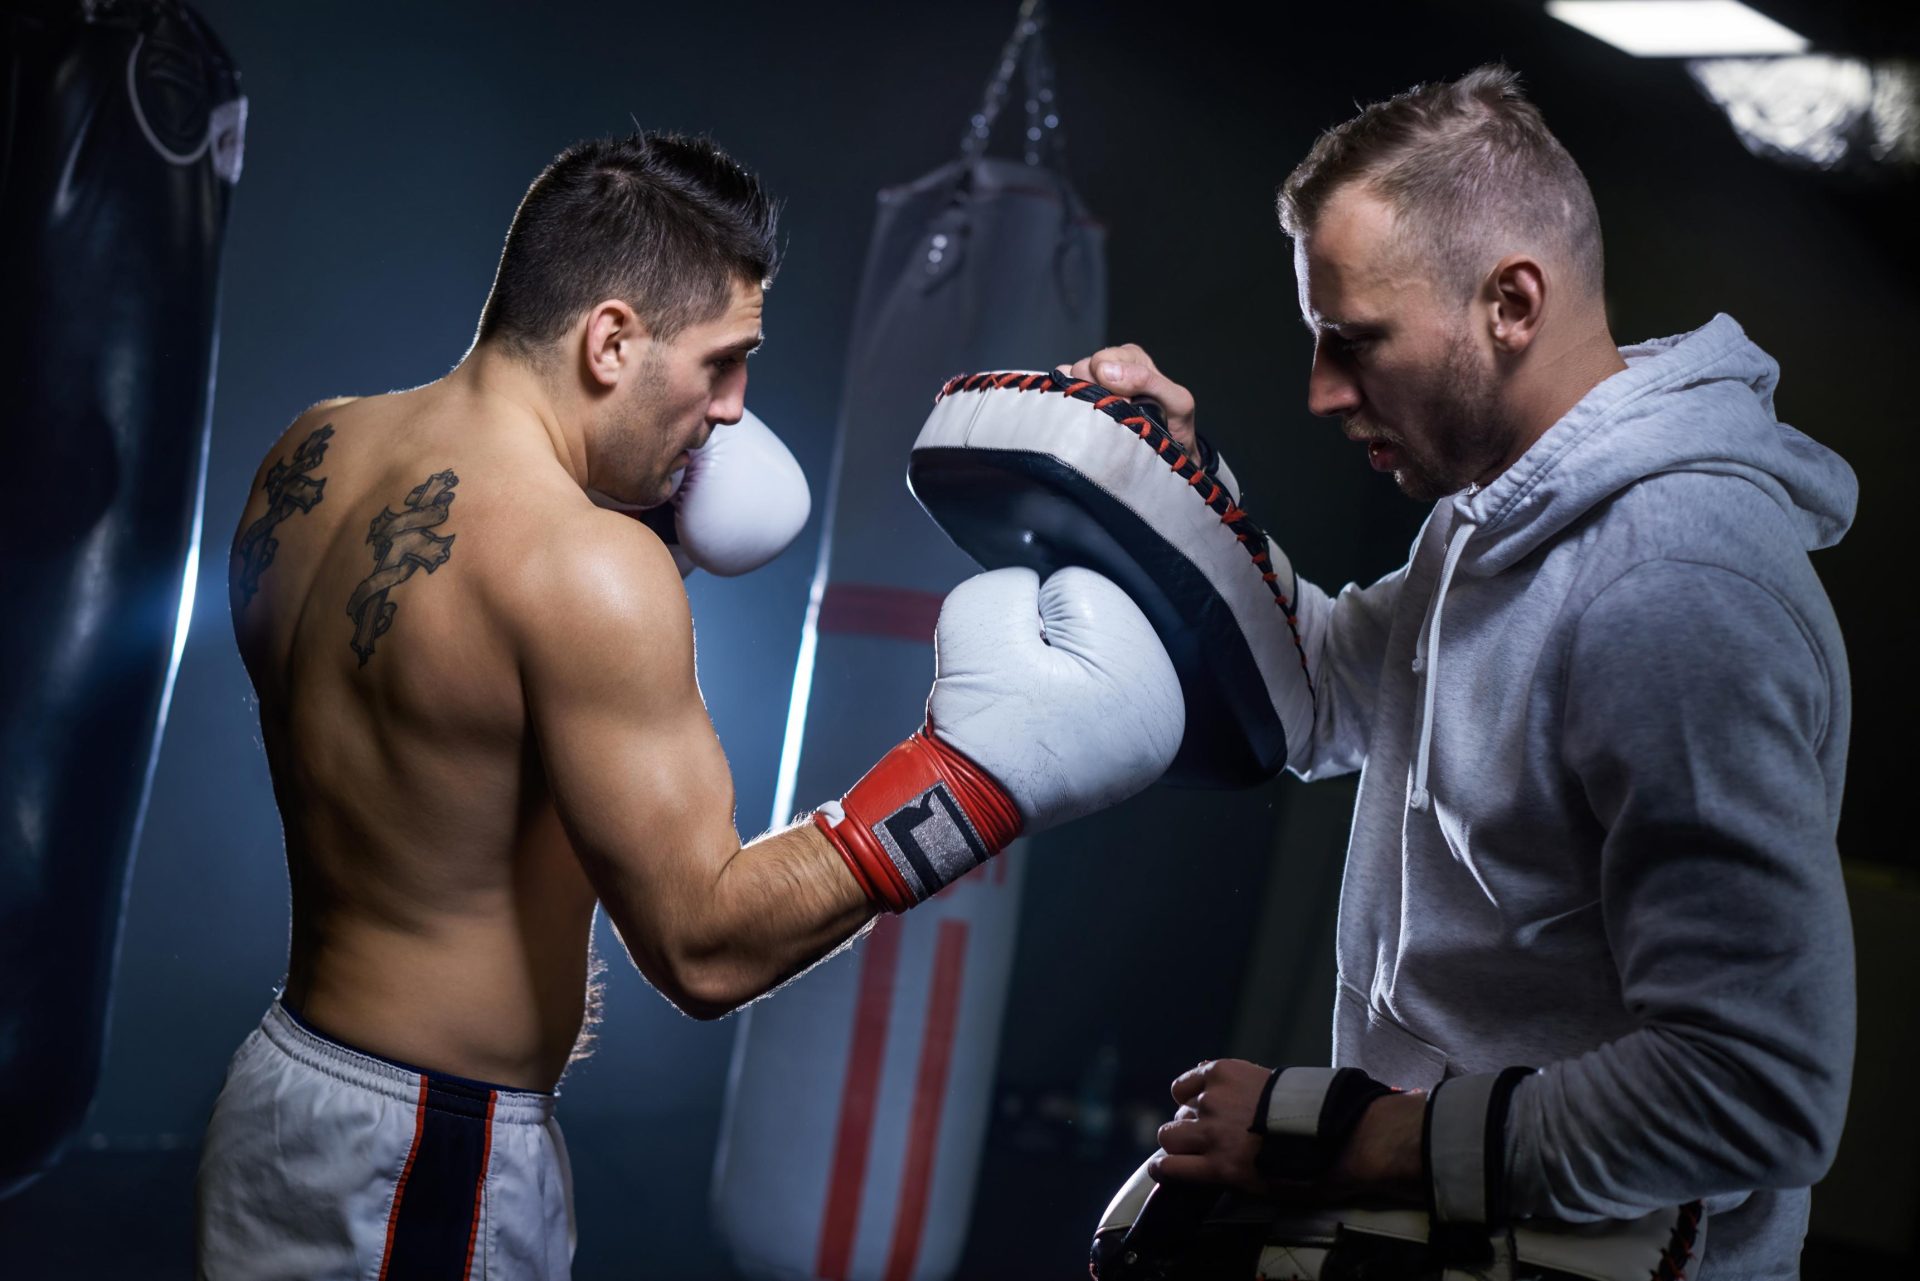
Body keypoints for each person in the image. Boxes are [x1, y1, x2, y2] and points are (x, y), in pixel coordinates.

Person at [197, 131, 1184, 1279]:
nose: (731, 408)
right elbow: (703, 949)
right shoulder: (585, 573)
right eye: (722, 361)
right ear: (610, 340)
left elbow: (435, 748)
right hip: (425, 1155)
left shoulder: (314, 450)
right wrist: (973, 782)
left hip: (281, 1088)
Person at [1066, 65, 1856, 1276]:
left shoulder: (1674, 587)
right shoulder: (1490, 520)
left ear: (1512, 304)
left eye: (1355, 343)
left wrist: (1346, 1139)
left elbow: (1756, 1088)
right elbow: (1324, 689)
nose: (1323, 392)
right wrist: (1170, 494)